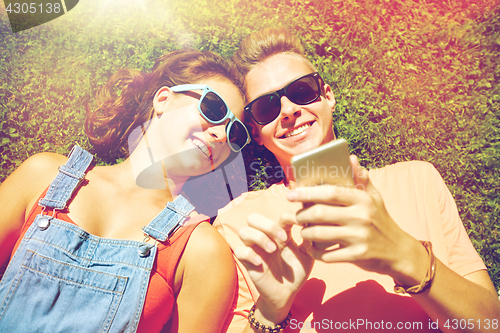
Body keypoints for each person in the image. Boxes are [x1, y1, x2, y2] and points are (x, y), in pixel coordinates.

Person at [214, 28, 500, 332]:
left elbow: (490, 324)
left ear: (328, 96)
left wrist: (405, 255)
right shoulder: (238, 223)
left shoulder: (418, 181)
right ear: (256, 133)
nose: (288, 110)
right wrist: (270, 312)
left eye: (301, 92)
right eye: (266, 108)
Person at [0, 50, 252, 332]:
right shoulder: (44, 175)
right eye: (214, 109)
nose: (221, 134)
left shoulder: (202, 251)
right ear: (164, 100)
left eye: (235, 133)